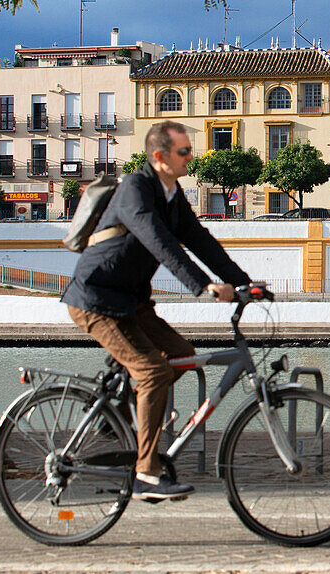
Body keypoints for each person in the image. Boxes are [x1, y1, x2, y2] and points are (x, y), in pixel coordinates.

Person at [63, 120, 250, 501]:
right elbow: (159, 241)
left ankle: (116, 414)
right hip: (97, 300)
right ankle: (146, 473)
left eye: (189, 151)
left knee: (181, 355)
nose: (190, 157)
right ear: (159, 156)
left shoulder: (172, 193)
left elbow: (199, 239)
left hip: (131, 302)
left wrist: (245, 282)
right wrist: (202, 286)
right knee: (152, 371)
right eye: (183, 152)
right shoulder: (135, 189)